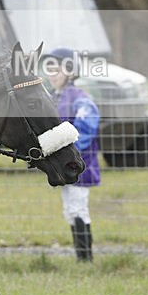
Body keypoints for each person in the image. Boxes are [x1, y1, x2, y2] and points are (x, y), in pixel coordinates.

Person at [43, 47, 101, 262]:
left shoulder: (80, 98)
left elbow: (86, 128)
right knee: (69, 209)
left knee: (78, 208)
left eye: (57, 70)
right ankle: (81, 256)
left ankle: (85, 258)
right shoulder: (53, 97)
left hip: (79, 163)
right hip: (63, 164)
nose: (52, 75)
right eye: (49, 70)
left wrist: (66, 150)